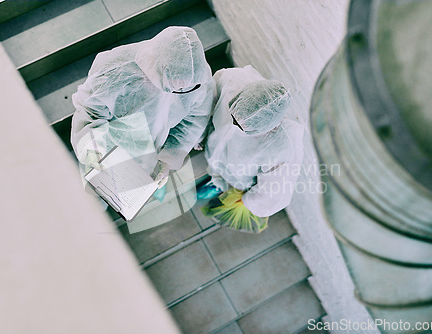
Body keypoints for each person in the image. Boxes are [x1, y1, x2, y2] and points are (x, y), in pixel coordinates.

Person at [71, 26, 214, 200]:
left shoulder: (197, 79)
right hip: (108, 148)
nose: (180, 92)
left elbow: (193, 120)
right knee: (95, 198)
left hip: (149, 152)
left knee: (127, 197)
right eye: (173, 87)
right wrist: (93, 151)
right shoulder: (115, 70)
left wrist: (167, 160)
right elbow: (89, 112)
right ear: (154, 66)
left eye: (184, 89)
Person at [199, 65, 304, 233]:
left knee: (228, 178)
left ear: (269, 127)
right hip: (217, 147)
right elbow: (209, 96)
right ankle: (215, 180)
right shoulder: (233, 79)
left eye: (243, 127)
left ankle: (219, 185)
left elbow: (274, 194)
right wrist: (200, 132)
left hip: (239, 175)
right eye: (234, 117)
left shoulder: (283, 147)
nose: (235, 125)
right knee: (216, 162)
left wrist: (246, 201)